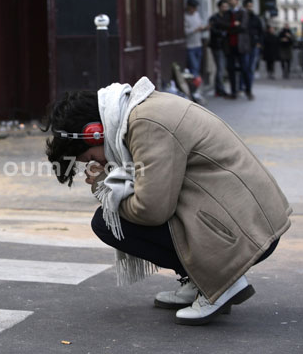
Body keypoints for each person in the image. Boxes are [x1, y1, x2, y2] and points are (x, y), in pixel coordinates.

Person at [43, 77, 291, 325]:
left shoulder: (146, 125)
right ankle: (200, 280)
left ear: (94, 133)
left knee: (106, 223)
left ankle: (222, 280)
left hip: (248, 230)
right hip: (242, 218)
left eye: (90, 157)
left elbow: (151, 210)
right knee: (111, 218)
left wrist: (102, 185)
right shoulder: (139, 112)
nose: (97, 164)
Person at [224, 0, 253, 100]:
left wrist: (231, 27)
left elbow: (243, 27)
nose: (229, 1)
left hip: (241, 46)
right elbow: (224, 26)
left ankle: (248, 91)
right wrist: (233, 25)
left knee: (245, 69)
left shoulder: (243, 12)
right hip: (230, 46)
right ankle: (233, 92)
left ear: (236, 0)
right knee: (231, 70)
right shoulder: (227, 13)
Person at [240, 0, 263, 91]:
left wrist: (259, 43)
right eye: (248, 6)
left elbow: (261, 31)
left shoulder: (255, 18)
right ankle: (242, 86)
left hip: (253, 45)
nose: (250, 8)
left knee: (250, 67)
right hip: (244, 45)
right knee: (244, 67)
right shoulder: (242, 17)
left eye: (251, 6)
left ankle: (248, 87)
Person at [208, 0, 230, 97]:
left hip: (225, 46)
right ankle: (219, 89)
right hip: (217, 46)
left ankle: (220, 88)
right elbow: (213, 30)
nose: (225, 9)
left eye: (226, 6)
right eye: (224, 6)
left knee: (222, 68)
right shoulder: (214, 18)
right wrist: (222, 33)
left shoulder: (227, 17)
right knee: (220, 68)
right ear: (219, 7)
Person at [184, 0, 208, 78]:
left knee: (197, 67)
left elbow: (200, 24)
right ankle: (194, 85)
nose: (194, 10)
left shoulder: (197, 14)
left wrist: (203, 28)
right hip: (190, 46)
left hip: (199, 44)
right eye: (193, 8)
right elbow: (185, 32)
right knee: (193, 67)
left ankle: (196, 84)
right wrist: (195, 30)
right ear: (189, 7)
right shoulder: (185, 17)